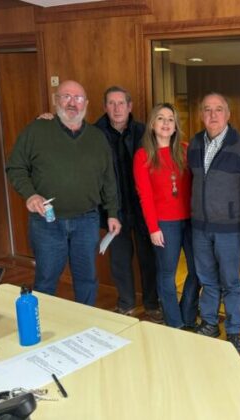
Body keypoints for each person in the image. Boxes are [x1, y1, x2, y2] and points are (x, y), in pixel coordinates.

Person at [6, 80, 120, 305]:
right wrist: (30, 194)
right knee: (46, 280)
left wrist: (113, 213)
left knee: (87, 279)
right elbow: (15, 166)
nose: (72, 103)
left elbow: (108, 178)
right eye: (66, 96)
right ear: (55, 100)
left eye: (78, 98)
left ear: (86, 103)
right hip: (47, 222)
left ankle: (85, 321)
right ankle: (43, 321)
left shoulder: (97, 138)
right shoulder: (37, 130)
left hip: (86, 220)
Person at [187, 93, 240, 355]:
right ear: (201, 115)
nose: (213, 115)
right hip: (200, 226)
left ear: (228, 114)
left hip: (230, 228)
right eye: (207, 110)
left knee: (230, 282)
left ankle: (234, 331)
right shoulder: (194, 144)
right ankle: (209, 323)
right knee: (207, 279)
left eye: (218, 109)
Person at [94, 86, 162, 321]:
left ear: (129, 106)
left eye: (121, 103)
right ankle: (126, 304)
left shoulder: (144, 131)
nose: (117, 108)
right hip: (113, 209)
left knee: (149, 258)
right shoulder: (95, 133)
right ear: (105, 107)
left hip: (144, 208)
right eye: (111, 103)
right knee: (120, 260)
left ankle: (152, 304)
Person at [133, 103, 199, 329]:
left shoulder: (185, 150)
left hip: (190, 221)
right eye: (160, 118)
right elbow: (145, 196)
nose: (166, 123)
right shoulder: (143, 155)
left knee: (197, 271)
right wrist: (153, 228)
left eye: (170, 119)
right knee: (167, 274)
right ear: (152, 124)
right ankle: (175, 323)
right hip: (164, 224)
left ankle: (187, 315)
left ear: (176, 125)